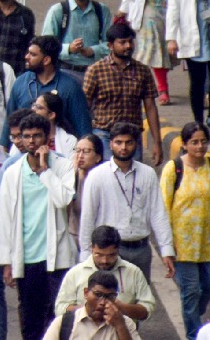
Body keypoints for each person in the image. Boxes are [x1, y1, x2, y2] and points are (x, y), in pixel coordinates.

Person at [0, 113, 77, 340]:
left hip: (57, 256)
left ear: (47, 137)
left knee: (57, 317)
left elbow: (63, 200)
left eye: (36, 136)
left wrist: (44, 171)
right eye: (26, 136)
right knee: (31, 319)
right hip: (27, 256)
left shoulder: (63, 166)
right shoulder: (13, 173)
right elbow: (7, 220)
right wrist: (7, 262)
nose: (31, 141)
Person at [77, 121, 175, 277]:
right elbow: (88, 217)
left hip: (141, 249)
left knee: (141, 299)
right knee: (110, 298)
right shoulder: (97, 176)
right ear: (110, 144)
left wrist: (166, 249)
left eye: (128, 142)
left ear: (136, 144)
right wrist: (84, 255)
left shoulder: (147, 173)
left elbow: (157, 213)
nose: (123, 147)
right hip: (109, 252)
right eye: (118, 142)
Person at [83, 23, 163, 164]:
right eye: (122, 42)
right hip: (105, 134)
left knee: (133, 177)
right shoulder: (95, 70)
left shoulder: (143, 71)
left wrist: (157, 142)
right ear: (110, 46)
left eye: (130, 41)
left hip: (133, 134)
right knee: (110, 175)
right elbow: (85, 105)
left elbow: (150, 107)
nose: (128, 46)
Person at [160, 122, 210, 340]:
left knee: (206, 290)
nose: (199, 146)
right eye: (194, 142)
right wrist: (167, 247)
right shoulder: (174, 169)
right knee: (190, 293)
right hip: (183, 247)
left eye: (203, 142)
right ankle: (193, 336)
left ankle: (198, 327)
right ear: (185, 144)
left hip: (207, 244)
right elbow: (163, 207)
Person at [54, 225, 156, 323]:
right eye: (99, 255)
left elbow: (147, 309)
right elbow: (60, 308)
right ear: (91, 248)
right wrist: (88, 309)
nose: (105, 261)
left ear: (118, 250)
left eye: (111, 255)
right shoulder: (75, 274)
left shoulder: (134, 273)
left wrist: (120, 307)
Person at [167, 0, 210, 122]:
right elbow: (173, 8)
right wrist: (171, 38)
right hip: (194, 35)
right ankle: (198, 121)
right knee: (197, 82)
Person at [39, 273, 140, 340]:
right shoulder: (65, 323)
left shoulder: (125, 323)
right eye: (98, 295)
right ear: (86, 293)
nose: (103, 302)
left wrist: (120, 326)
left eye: (109, 297)